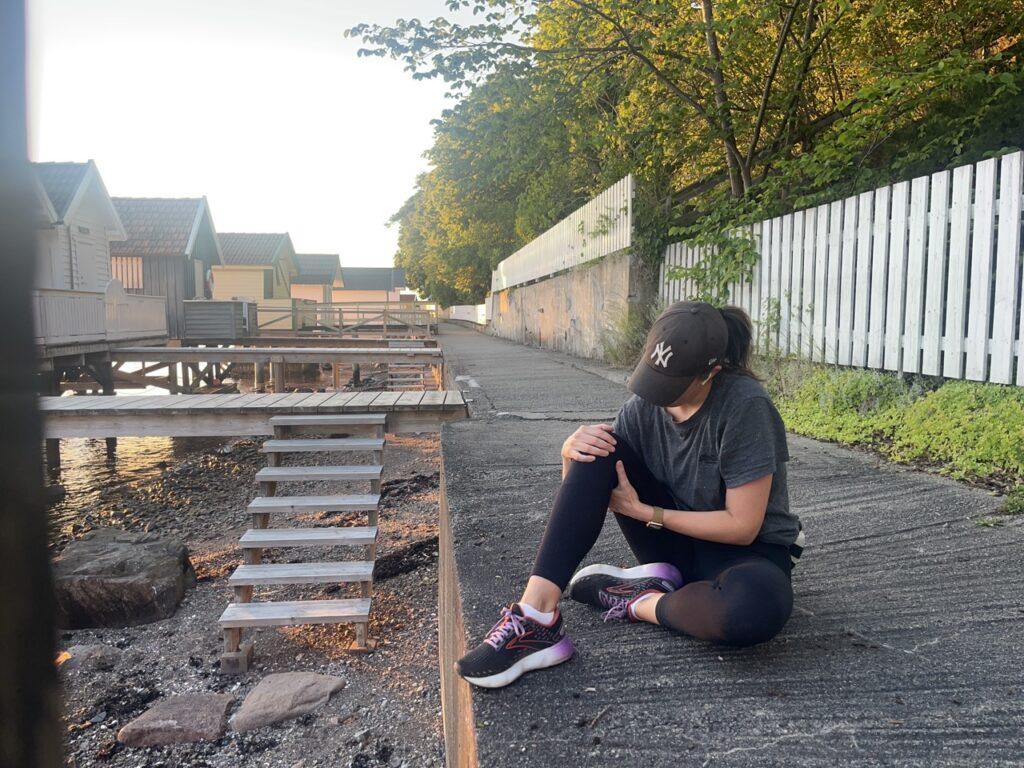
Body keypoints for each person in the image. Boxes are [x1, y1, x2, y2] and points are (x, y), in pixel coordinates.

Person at [455, 301, 804, 689]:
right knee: (596, 445)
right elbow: (588, 488)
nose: (656, 396)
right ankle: (536, 617)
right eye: (654, 379)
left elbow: (743, 526)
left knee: (751, 610)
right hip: (673, 546)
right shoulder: (644, 408)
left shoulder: (745, 406)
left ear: (711, 373)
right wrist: (570, 456)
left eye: (672, 385)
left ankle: (637, 601)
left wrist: (648, 513)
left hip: (747, 556)